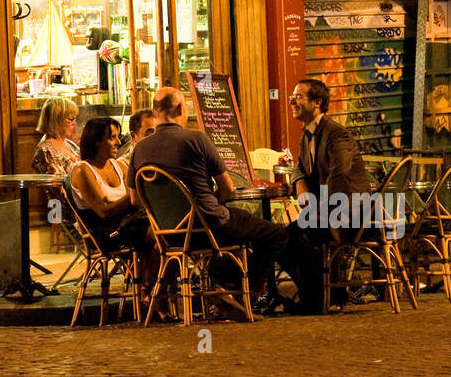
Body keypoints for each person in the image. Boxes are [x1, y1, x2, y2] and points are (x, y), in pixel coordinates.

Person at [127, 87, 288, 317]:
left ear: (155, 111)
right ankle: (242, 296)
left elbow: (135, 199)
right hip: (208, 226)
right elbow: (227, 188)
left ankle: (225, 288)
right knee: (275, 234)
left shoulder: (140, 149)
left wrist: (169, 211)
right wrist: (212, 204)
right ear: (182, 108)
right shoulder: (197, 139)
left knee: (234, 237)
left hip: (169, 234)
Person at [285, 78, 373, 312]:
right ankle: (322, 294)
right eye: (292, 96)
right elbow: (300, 167)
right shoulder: (307, 136)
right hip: (330, 210)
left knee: (303, 234)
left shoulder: (336, 134)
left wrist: (321, 211)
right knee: (281, 238)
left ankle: (317, 300)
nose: (292, 101)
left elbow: (340, 176)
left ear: (317, 102)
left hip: (350, 212)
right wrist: (300, 184)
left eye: (298, 96)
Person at [69, 118, 157, 296]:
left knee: (169, 232)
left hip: (129, 225)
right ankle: (149, 290)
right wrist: (136, 194)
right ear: (96, 141)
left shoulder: (118, 166)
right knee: (161, 235)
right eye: (112, 137)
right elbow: (103, 210)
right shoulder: (82, 170)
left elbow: (133, 201)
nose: (118, 142)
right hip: (106, 233)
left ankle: (151, 290)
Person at [32, 97, 80, 178]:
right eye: (71, 119)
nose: (74, 123)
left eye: (75, 118)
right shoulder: (46, 150)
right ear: (56, 121)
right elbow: (59, 186)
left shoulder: (68, 143)